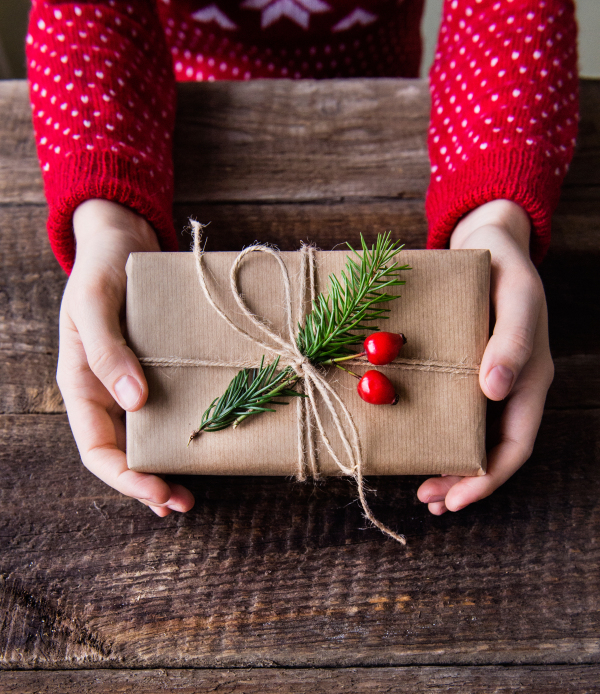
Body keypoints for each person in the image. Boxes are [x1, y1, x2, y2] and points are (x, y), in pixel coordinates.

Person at [26, 0, 578, 517]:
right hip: (173, 108)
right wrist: (109, 219)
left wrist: (494, 219)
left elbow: (510, 14)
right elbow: (84, 16)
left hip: (394, 118)